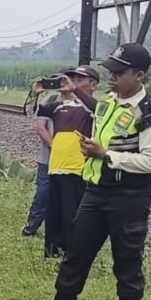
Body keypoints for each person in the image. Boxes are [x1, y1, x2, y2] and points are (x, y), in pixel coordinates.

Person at [36, 45, 151, 300]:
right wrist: (77, 93)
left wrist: (105, 154)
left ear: (139, 75)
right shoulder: (109, 102)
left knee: (127, 261)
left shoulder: (150, 113)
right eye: (111, 71)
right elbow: (97, 111)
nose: (112, 77)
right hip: (95, 193)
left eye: (120, 73)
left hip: (129, 198)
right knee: (76, 255)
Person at [39, 68, 97, 258]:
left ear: (93, 85)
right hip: (57, 165)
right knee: (54, 212)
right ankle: (52, 250)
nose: (74, 83)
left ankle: (72, 252)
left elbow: (94, 108)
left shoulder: (94, 107)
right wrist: (38, 94)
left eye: (80, 80)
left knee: (73, 213)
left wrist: (75, 91)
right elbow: (37, 116)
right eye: (73, 79)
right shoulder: (57, 106)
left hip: (77, 167)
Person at [23, 82, 56, 238]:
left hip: (72, 161)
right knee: (43, 193)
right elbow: (31, 115)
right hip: (47, 158)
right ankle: (31, 227)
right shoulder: (51, 100)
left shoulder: (83, 102)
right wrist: (34, 95)